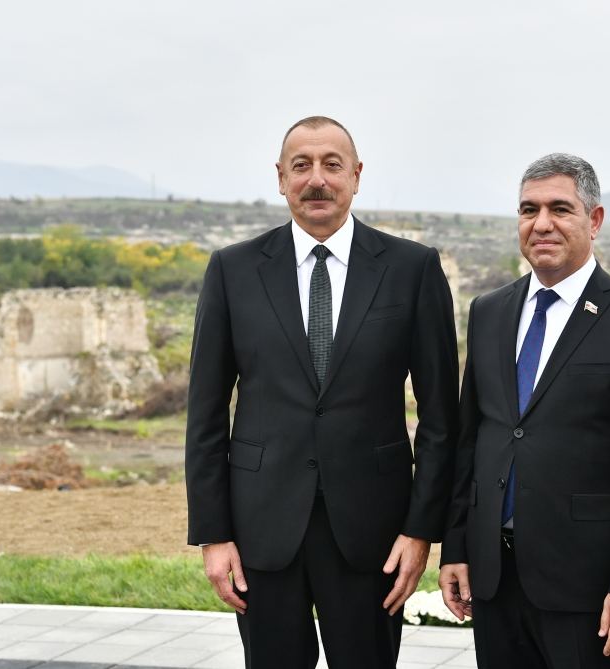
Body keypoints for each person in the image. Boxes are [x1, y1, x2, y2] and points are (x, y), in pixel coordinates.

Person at [185, 116, 459, 669]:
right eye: (302, 166)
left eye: (332, 165)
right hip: (262, 528)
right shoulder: (233, 271)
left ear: (356, 176)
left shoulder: (412, 269)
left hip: (374, 533)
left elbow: (441, 420)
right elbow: (206, 414)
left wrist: (420, 530)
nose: (317, 179)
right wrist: (213, 535)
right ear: (280, 178)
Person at [439, 153, 610, 668]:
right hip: (494, 580)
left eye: (560, 209)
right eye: (529, 210)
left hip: (585, 590)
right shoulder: (489, 312)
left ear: (594, 221)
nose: (542, 224)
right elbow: (472, 440)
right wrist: (456, 547)